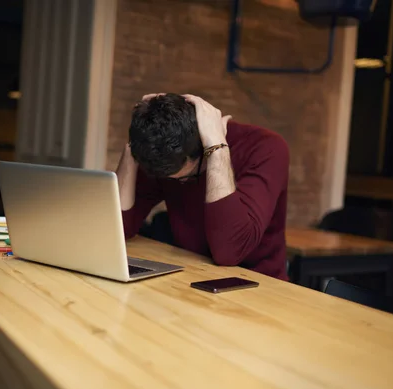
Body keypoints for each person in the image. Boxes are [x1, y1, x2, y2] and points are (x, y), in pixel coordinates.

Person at [117, 93, 289, 280]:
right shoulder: (166, 153)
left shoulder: (266, 147)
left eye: (185, 178)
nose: (177, 183)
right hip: (193, 276)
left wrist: (217, 148)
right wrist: (134, 145)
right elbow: (118, 228)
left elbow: (230, 251)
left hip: (259, 286)